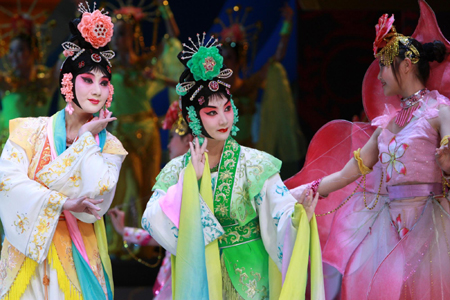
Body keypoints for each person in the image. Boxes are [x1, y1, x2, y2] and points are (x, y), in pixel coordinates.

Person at [141, 34, 324, 299]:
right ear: (193, 118)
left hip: (251, 280)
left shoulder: (255, 163)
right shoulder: (177, 170)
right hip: (200, 276)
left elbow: (280, 209)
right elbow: (152, 217)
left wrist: (297, 218)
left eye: (227, 108)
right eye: (211, 113)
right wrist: (190, 181)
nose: (223, 119)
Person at [290, 13, 449, 299]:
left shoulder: (439, 111)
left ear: (407, 64)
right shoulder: (386, 127)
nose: (379, 76)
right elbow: (345, 174)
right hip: (390, 232)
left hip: (432, 231)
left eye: (384, 67)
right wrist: (295, 193)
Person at [0, 3, 127, 299]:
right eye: (87, 79)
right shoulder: (29, 130)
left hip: (77, 251)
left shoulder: (109, 146)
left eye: (104, 82)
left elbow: (97, 198)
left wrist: (85, 141)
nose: (97, 90)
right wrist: (64, 203)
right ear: (67, 83)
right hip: (27, 251)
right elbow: (7, 182)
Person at [106, 0, 184, 256]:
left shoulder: (145, 64)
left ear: (133, 35)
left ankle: (147, 243)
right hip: (122, 133)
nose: (119, 39)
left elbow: (174, 41)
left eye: (124, 34)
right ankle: (123, 241)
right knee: (128, 184)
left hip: (148, 129)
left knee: (147, 187)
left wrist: (165, 8)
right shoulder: (108, 66)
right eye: (116, 34)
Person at [108, 100, 192, 299]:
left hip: (187, 272)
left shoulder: (189, 182)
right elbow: (167, 236)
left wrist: (126, 232)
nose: (168, 144)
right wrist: (124, 231)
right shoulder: (179, 179)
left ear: (189, 139)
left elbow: (169, 236)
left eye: (172, 138)